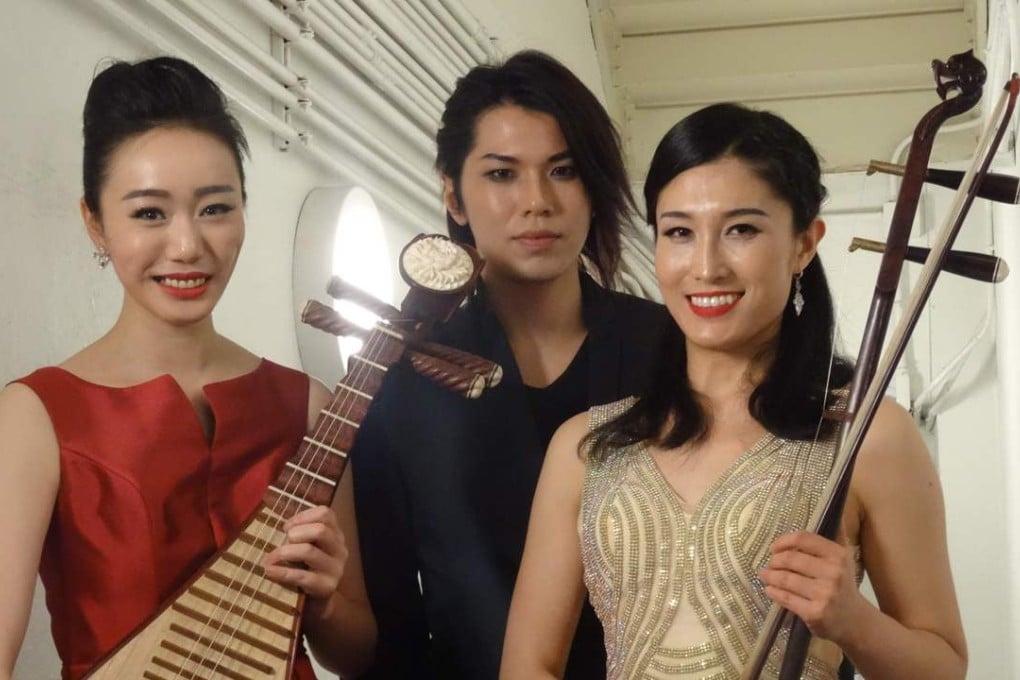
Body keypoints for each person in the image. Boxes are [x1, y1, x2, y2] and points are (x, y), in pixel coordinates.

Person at [501, 103, 968, 680]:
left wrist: (853, 621)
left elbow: (944, 666)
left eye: (741, 230)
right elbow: (529, 666)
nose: (705, 266)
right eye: (678, 232)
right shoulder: (586, 447)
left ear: (804, 244)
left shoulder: (866, 433)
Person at [0, 57, 375, 680]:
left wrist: (328, 600)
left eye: (215, 208)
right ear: (95, 222)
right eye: (149, 213)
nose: (187, 246)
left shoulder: (308, 403)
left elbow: (356, 654)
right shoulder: (35, 417)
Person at [349, 50, 670, 678]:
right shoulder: (400, 378)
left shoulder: (671, 351)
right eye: (502, 174)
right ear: (454, 196)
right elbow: (394, 627)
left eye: (565, 170)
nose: (537, 201)